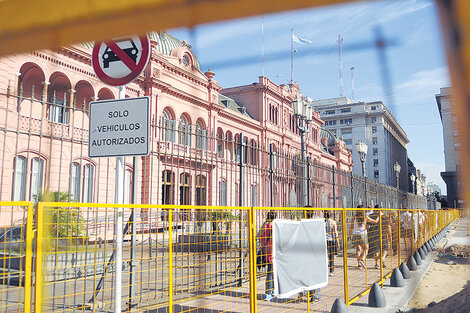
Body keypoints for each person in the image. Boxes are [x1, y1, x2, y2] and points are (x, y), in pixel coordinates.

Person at [348, 205, 378, 269]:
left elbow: (351, 227)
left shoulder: (354, 217)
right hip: (363, 234)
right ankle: (363, 259)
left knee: (358, 249)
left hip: (355, 234)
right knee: (366, 248)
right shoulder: (365, 217)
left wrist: (349, 235)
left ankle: (359, 265)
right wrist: (379, 216)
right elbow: (375, 221)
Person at [259, 210, 276, 301]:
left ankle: (270, 292)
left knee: (270, 271)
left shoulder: (264, 225)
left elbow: (258, 236)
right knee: (272, 272)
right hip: (274, 251)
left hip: (266, 251)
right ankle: (270, 292)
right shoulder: (275, 226)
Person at [324, 211, 339, 276]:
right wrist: (337, 241)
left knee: (324, 256)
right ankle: (331, 271)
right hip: (330, 240)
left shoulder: (322, 222)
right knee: (331, 256)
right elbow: (335, 232)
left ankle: (324, 271)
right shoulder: (333, 222)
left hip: (323, 240)